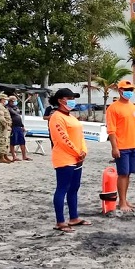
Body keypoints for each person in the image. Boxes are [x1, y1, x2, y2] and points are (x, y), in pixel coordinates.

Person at [49, 88, 91, 232]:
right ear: (61, 100)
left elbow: (80, 136)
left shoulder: (71, 117)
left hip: (77, 157)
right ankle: (60, 221)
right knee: (62, 188)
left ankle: (74, 217)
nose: (72, 100)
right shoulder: (56, 117)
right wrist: (76, 151)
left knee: (74, 188)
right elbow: (62, 139)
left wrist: (83, 151)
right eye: (69, 98)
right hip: (65, 158)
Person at [106, 80, 135, 212]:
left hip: (134, 145)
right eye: (126, 90)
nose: (129, 92)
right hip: (122, 147)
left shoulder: (133, 108)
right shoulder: (113, 108)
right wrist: (114, 147)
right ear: (120, 90)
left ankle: (125, 199)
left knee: (128, 174)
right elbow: (111, 130)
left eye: (131, 90)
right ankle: (121, 201)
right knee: (122, 174)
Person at [6, 96, 32, 161]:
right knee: (13, 142)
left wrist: (22, 126)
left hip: (19, 126)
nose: (14, 102)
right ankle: (14, 156)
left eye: (15, 100)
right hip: (13, 126)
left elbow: (18, 116)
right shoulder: (7, 108)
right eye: (13, 100)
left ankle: (24, 156)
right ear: (10, 101)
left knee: (22, 141)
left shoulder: (16, 107)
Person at [0, 93, 12, 164]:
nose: (6, 101)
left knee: (6, 142)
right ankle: (1, 158)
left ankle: (5, 156)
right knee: (2, 141)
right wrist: (6, 126)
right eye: (5, 99)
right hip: (3, 127)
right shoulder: (0, 107)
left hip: (5, 127)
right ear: (2, 99)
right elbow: (1, 118)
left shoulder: (3, 106)